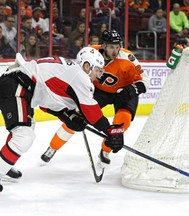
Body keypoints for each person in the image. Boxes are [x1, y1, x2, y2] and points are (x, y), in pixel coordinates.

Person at [0, 47, 124, 188]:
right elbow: (92, 112)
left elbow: (47, 102)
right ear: (87, 66)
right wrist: (109, 130)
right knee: (24, 136)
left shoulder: (69, 73)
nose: (98, 75)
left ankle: (3, 163)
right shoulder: (80, 76)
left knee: (26, 129)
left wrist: (67, 116)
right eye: (97, 70)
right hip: (17, 87)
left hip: (19, 86)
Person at [40, 30, 149, 173]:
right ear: (103, 45)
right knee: (76, 117)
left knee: (122, 122)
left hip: (124, 93)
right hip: (99, 91)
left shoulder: (128, 58)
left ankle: (105, 150)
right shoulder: (91, 53)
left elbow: (144, 81)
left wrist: (132, 90)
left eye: (117, 47)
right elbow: (79, 71)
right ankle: (53, 147)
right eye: (111, 47)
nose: (115, 51)